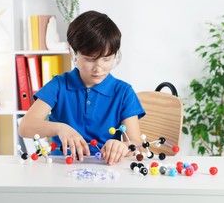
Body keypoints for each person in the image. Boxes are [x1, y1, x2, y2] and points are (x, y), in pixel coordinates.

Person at [18, 10, 145, 165]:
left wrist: (123, 146)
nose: (98, 68)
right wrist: (60, 128)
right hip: (62, 166)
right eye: (90, 59)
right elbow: (25, 126)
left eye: (106, 59)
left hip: (108, 168)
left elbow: (138, 145)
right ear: (73, 54)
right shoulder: (59, 85)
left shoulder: (124, 92)